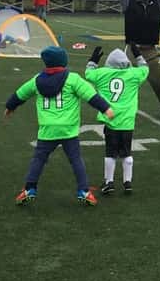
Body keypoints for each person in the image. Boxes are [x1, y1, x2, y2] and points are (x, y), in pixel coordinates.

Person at [6, 45, 113, 207]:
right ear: (64, 61)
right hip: (68, 130)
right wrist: (105, 108)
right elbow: (91, 96)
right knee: (76, 160)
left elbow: (20, 94)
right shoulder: (73, 79)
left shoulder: (37, 80)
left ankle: (29, 188)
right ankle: (83, 191)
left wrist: (10, 107)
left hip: (47, 129)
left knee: (38, 160)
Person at [85, 45, 149, 195]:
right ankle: (127, 182)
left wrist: (93, 61)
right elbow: (145, 68)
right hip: (127, 121)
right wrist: (138, 55)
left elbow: (88, 73)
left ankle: (109, 182)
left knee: (110, 153)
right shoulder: (133, 74)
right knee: (127, 152)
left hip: (110, 120)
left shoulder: (102, 74)